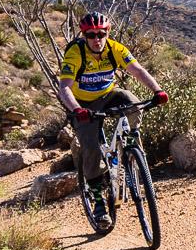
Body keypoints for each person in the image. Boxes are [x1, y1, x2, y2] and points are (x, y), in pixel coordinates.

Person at [57, 12, 168, 229]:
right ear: (84, 35)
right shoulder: (76, 53)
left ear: (108, 32)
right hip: (83, 105)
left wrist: (158, 90)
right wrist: (77, 109)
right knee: (90, 148)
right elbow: (64, 88)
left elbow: (137, 70)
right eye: (91, 35)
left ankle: (131, 143)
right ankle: (98, 203)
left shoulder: (114, 49)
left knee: (132, 101)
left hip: (108, 95)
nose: (96, 38)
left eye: (101, 33)